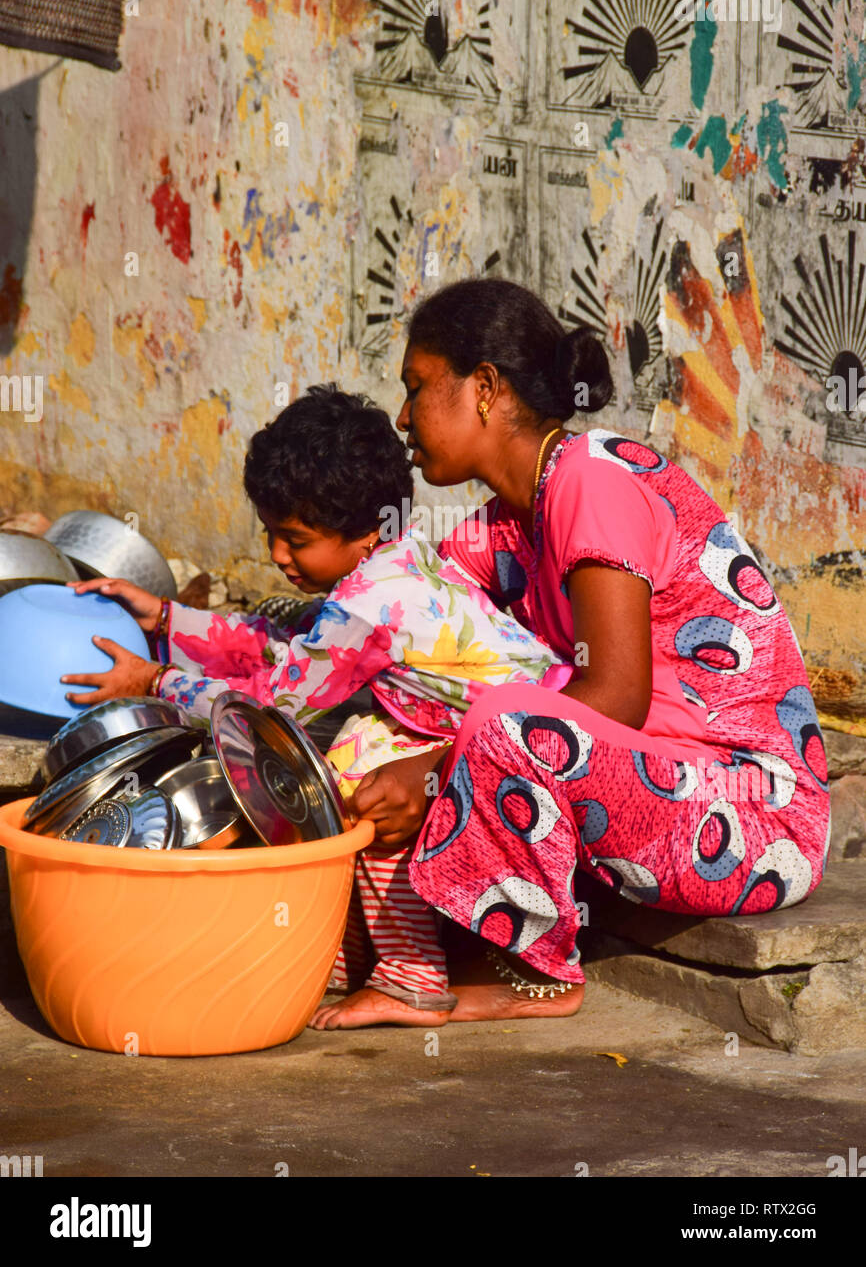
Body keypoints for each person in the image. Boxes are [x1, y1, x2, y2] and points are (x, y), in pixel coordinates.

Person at [347, 277, 832, 1025]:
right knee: (400, 704)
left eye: (416, 387)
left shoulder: (591, 480)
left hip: (754, 816)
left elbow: (616, 696)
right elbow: (403, 617)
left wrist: (434, 769)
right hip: (652, 789)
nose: (403, 416)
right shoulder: (505, 523)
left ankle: (540, 975)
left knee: (504, 721)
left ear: (484, 388)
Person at [60, 383, 571, 1027]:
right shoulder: (396, 560)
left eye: (294, 540)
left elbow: (267, 712)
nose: (277, 556)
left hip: (534, 762)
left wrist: (156, 681)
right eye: (271, 534)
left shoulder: (364, 608)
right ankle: (359, 941)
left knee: (357, 765)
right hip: (533, 736)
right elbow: (291, 647)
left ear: (359, 534)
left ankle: (410, 973)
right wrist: (167, 617)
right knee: (360, 741)